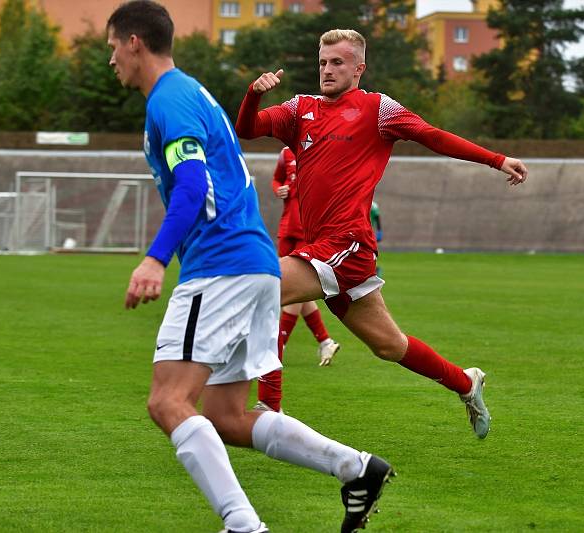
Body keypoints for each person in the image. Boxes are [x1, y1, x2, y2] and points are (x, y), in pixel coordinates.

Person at [107, 5, 393, 532]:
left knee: (168, 401)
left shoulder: (169, 101)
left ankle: (244, 526)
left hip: (221, 268)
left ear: (133, 43)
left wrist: (154, 258)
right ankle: (358, 469)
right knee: (226, 415)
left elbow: (192, 186)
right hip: (256, 266)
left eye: (111, 48)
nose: (111, 61)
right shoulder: (191, 92)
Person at [235, 28, 528, 440]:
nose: (327, 70)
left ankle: (270, 407)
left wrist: (497, 159)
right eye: (322, 62)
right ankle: (466, 383)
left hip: (346, 245)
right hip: (323, 250)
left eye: (337, 62)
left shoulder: (378, 109)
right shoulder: (300, 108)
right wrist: (253, 94)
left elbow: (433, 136)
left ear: (359, 67)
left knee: (260, 287)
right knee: (390, 346)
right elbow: (247, 128)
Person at [255, 146, 341, 413]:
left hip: (308, 231)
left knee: (288, 292)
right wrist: (277, 188)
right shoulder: (284, 152)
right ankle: (325, 341)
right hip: (286, 228)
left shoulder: (323, 149)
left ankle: (280, 345)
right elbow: (277, 179)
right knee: (292, 291)